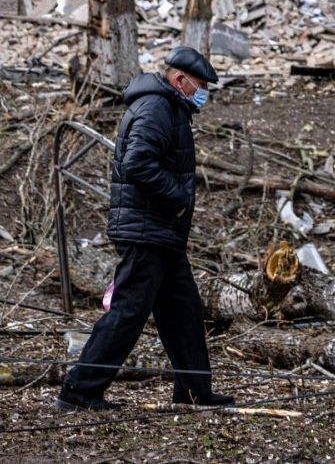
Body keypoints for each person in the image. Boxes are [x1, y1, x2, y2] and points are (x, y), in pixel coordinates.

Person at [56, 47, 235, 412]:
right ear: (179, 80)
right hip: (146, 229)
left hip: (162, 232)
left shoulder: (170, 108)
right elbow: (137, 162)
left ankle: (192, 390)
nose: (203, 94)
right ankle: (79, 390)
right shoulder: (156, 108)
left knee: (184, 312)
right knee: (128, 311)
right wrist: (178, 199)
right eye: (200, 85)